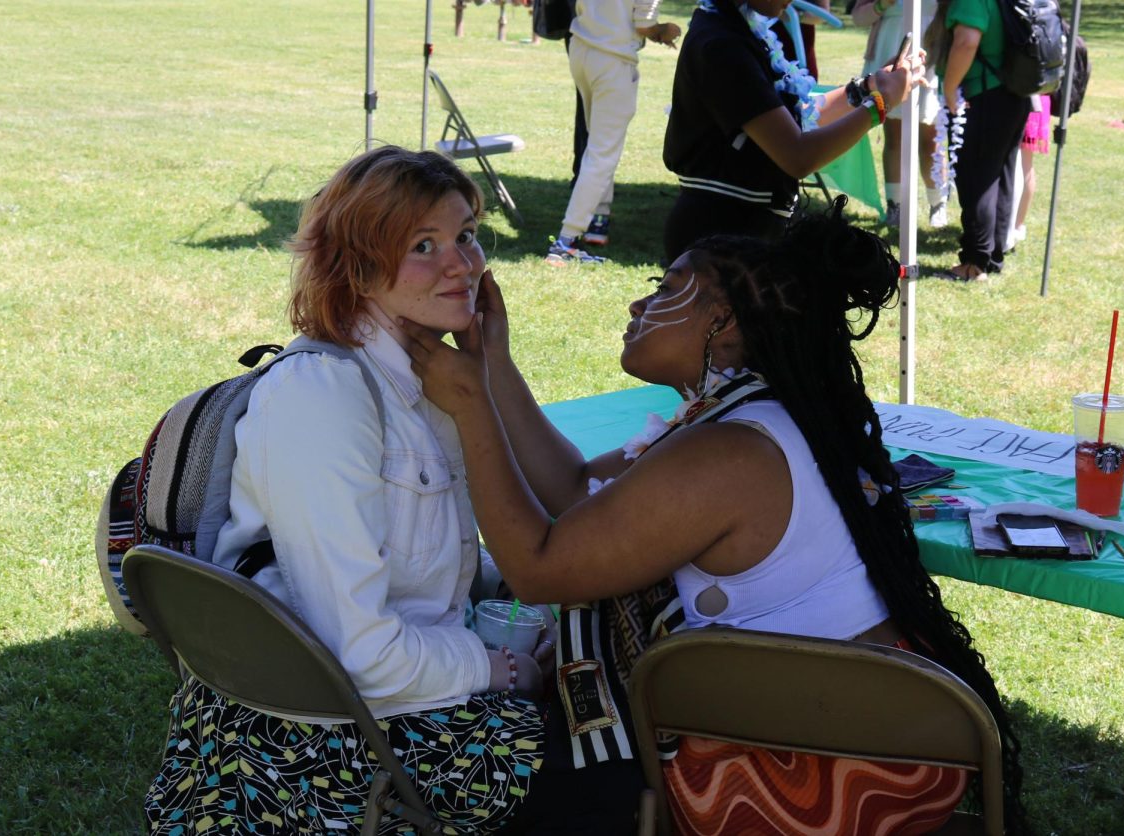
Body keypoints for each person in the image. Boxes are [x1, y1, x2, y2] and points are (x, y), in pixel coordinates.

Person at [401, 199, 1026, 833]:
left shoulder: (729, 452)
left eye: (666, 289)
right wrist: (493, 362)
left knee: (476, 763)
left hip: (811, 774)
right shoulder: (742, 415)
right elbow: (575, 490)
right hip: (862, 736)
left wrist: (472, 406)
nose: (637, 307)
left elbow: (539, 569)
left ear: (721, 320)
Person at [142, 146, 550, 834]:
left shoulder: (425, 378)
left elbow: (419, 556)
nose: (463, 265)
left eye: (467, 236)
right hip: (320, 738)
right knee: (593, 766)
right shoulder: (325, 396)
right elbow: (361, 656)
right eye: (425, 245)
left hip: (390, 698)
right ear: (358, 268)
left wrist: (514, 589)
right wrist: (502, 668)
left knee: (596, 705)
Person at [661, 0, 925, 264]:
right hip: (719, 241)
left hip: (740, 234)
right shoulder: (722, 44)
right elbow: (797, 155)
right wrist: (880, 104)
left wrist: (869, 87)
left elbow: (795, 120)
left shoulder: (738, 29)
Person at [545, 0, 681, 266]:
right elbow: (644, 24)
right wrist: (665, 30)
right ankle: (565, 242)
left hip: (582, 48)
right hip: (612, 59)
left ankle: (597, 221)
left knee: (596, 146)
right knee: (602, 154)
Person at [925, 0, 1032, 282]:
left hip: (983, 97)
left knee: (977, 179)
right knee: (1000, 176)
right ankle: (991, 256)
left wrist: (949, 90)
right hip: (1010, 93)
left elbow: (967, 42)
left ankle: (974, 263)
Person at [853, 0, 950, 228]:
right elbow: (859, 18)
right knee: (894, 136)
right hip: (890, 51)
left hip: (931, 54)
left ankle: (938, 203)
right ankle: (895, 205)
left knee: (931, 138)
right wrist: (881, 4)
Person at [1010, 92, 1051, 249]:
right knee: (1026, 165)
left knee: (1020, 166)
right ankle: (1018, 225)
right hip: (1039, 99)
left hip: (1027, 99)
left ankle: (1014, 226)